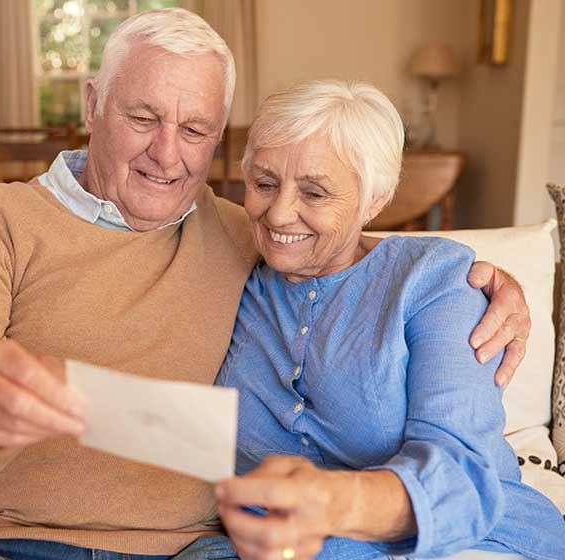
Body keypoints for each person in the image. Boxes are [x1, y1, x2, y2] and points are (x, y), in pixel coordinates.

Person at [0, 8, 531, 560]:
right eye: (143, 116)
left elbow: (355, 259)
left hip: (186, 545)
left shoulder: (241, 233)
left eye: (196, 130)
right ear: (93, 103)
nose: (167, 154)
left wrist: (490, 282)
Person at [213, 80, 565, 560]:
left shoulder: (434, 280)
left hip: (464, 541)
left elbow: (460, 478)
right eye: (264, 183)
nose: (278, 213)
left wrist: (332, 504)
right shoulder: (229, 258)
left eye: (314, 193)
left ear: (374, 201)